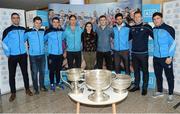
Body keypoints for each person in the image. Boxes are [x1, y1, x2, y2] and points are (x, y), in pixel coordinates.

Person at [2, 13, 33, 102]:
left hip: (23, 55)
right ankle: (13, 93)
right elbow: (4, 43)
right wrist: (9, 54)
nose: (16, 19)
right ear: (11, 19)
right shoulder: (7, 30)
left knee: (25, 73)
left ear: (19, 19)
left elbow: (27, 39)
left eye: (17, 18)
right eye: (14, 18)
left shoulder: (23, 29)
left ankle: (27, 89)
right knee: (12, 75)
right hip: (13, 56)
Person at [152, 12, 176, 102]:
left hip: (166, 58)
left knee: (169, 76)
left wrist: (170, 57)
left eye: (158, 18)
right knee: (158, 75)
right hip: (156, 57)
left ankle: (170, 94)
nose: (156, 20)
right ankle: (159, 91)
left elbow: (173, 44)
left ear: (161, 18)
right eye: (154, 19)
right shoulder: (154, 29)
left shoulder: (169, 29)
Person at [129, 11, 153, 96]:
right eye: (135, 17)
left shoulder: (147, 26)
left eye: (138, 16)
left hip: (143, 54)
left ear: (141, 18)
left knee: (145, 71)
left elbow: (155, 36)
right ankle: (136, 86)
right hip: (134, 53)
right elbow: (128, 38)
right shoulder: (132, 28)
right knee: (136, 71)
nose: (137, 18)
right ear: (134, 18)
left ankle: (144, 88)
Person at [25, 16, 48, 95]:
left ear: (41, 23)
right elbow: (22, 40)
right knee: (34, 72)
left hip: (42, 55)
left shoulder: (43, 31)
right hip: (33, 56)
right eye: (36, 23)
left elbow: (45, 40)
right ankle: (35, 88)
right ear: (33, 23)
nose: (38, 24)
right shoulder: (28, 31)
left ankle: (42, 86)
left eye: (39, 23)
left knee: (42, 72)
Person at [44, 17, 64, 91]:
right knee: (52, 70)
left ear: (59, 23)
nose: (55, 23)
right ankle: (52, 84)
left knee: (58, 70)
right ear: (52, 23)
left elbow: (63, 39)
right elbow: (43, 40)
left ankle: (58, 83)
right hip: (52, 55)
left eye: (57, 22)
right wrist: (48, 50)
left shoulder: (61, 31)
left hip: (60, 54)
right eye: (54, 22)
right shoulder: (48, 31)